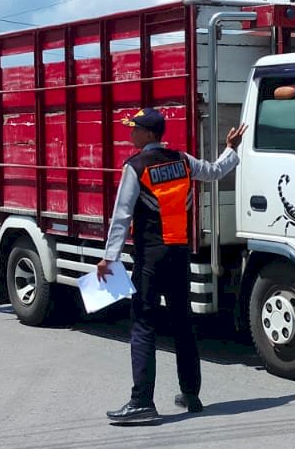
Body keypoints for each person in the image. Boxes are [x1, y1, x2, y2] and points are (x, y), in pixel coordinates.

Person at [98, 107, 246, 426]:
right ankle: (191, 394)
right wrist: (231, 149)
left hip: (150, 256)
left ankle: (141, 403)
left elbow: (122, 216)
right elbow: (216, 171)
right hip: (179, 253)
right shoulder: (183, 160)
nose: (130, 133)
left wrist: (109, 259)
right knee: (182, 323)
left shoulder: (134, 166)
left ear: (149, 134)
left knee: (143, 325)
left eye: (135, 129)